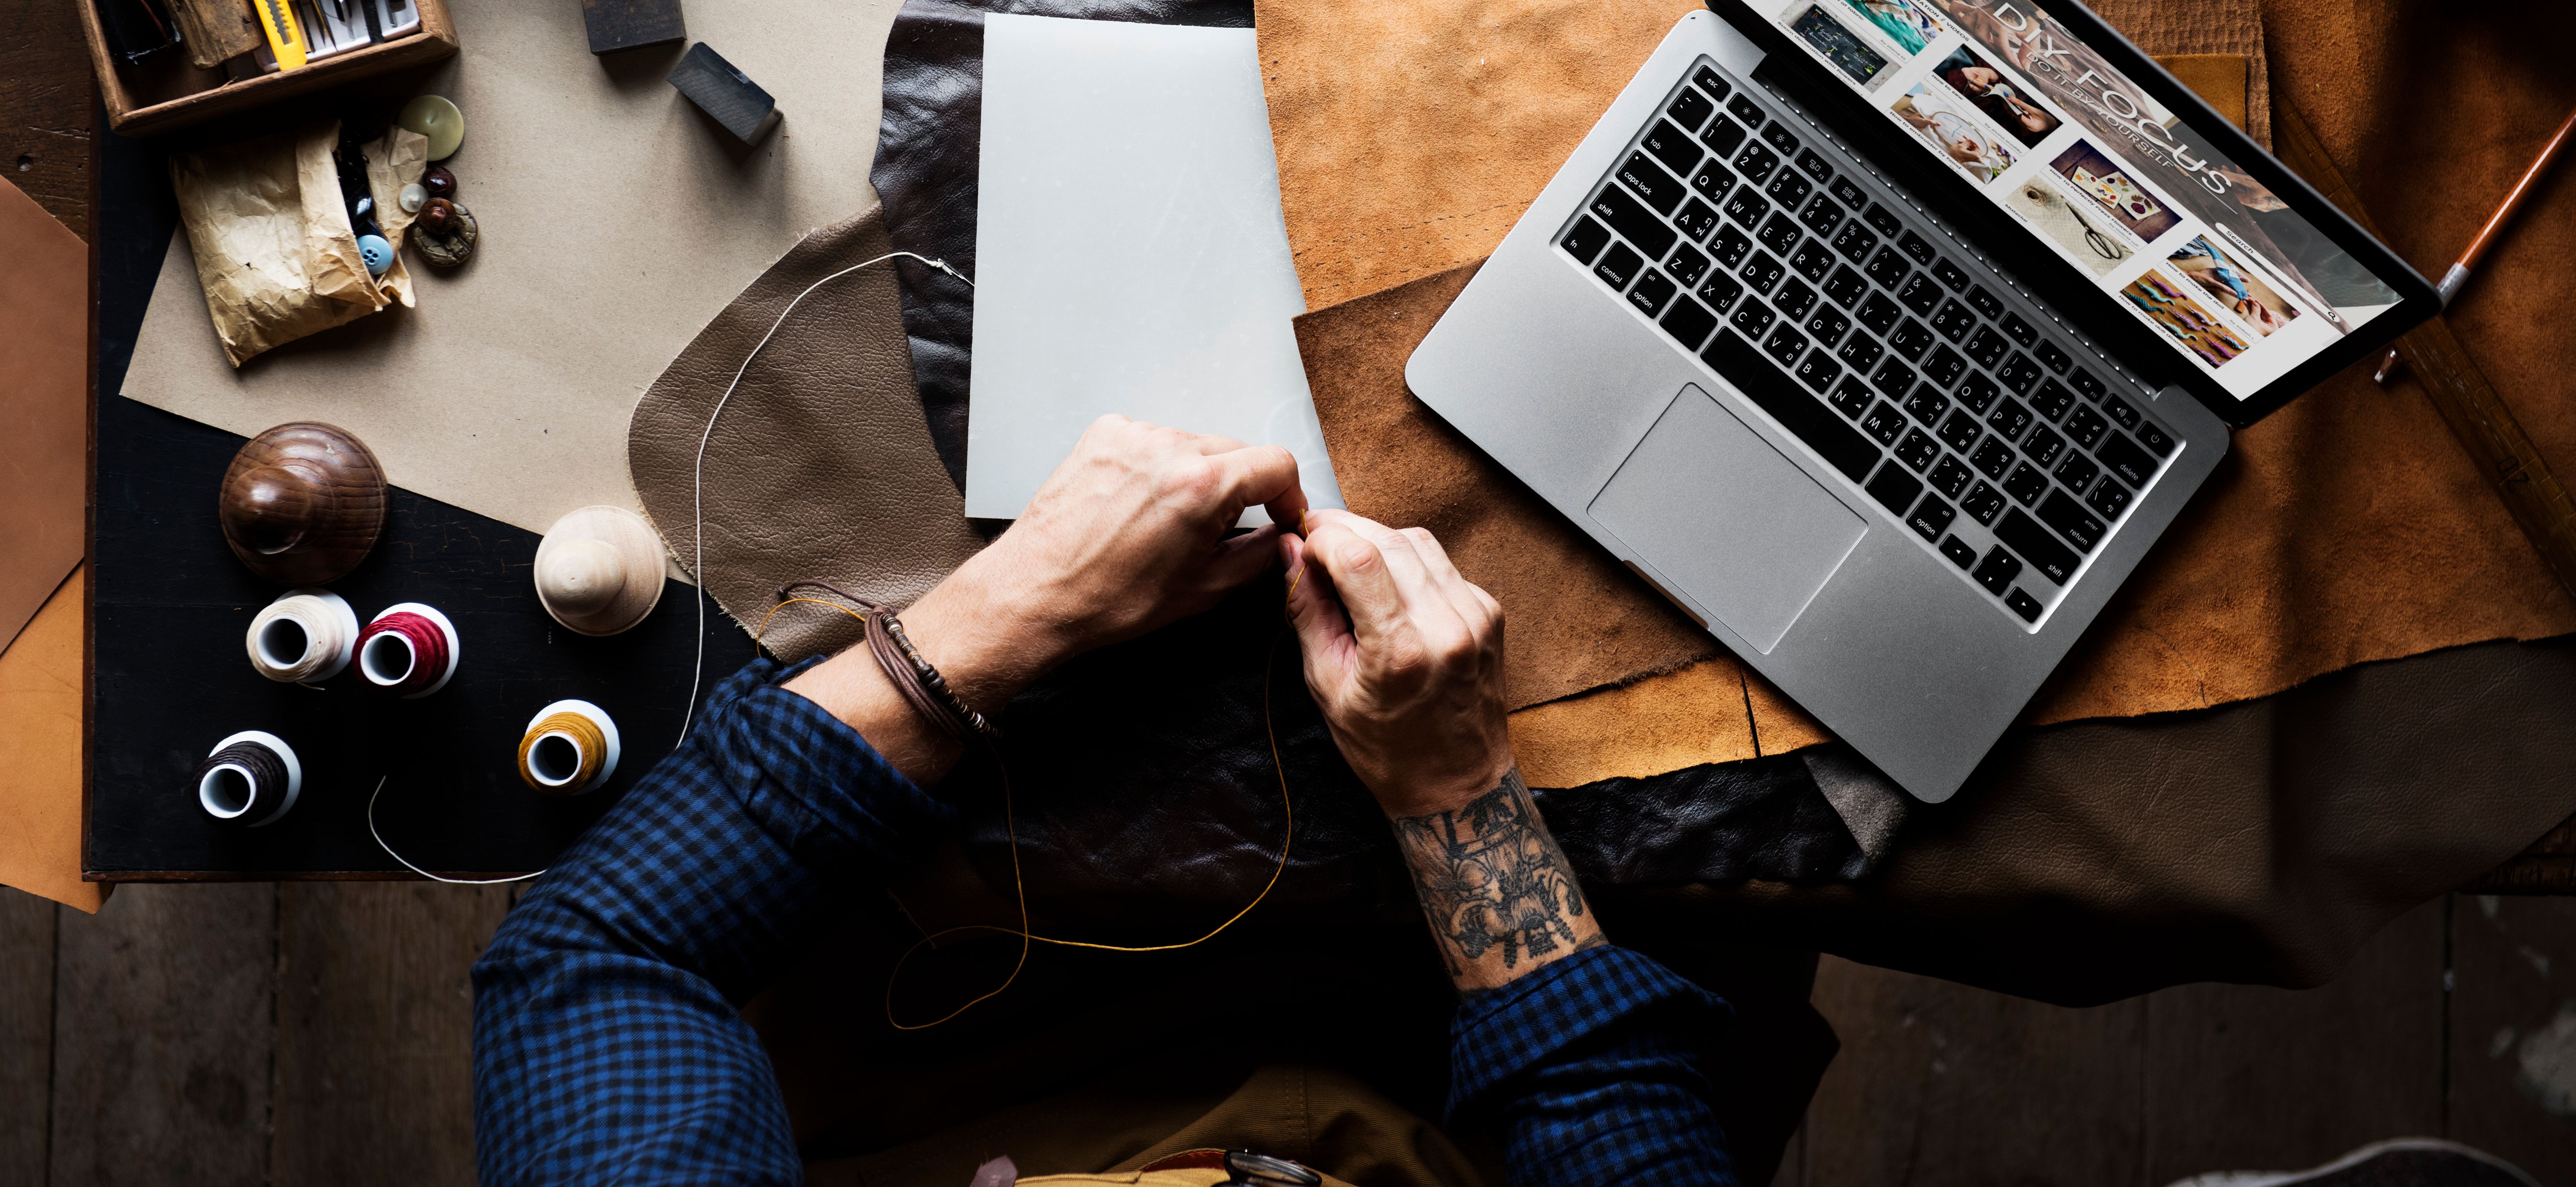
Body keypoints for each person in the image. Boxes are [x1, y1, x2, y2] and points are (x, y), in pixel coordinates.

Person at [471, 416, 1763, 1185]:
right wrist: (1459, 797)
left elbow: (598, 955)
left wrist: (995, 616)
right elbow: (1620, 1126)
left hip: (934, 1060)